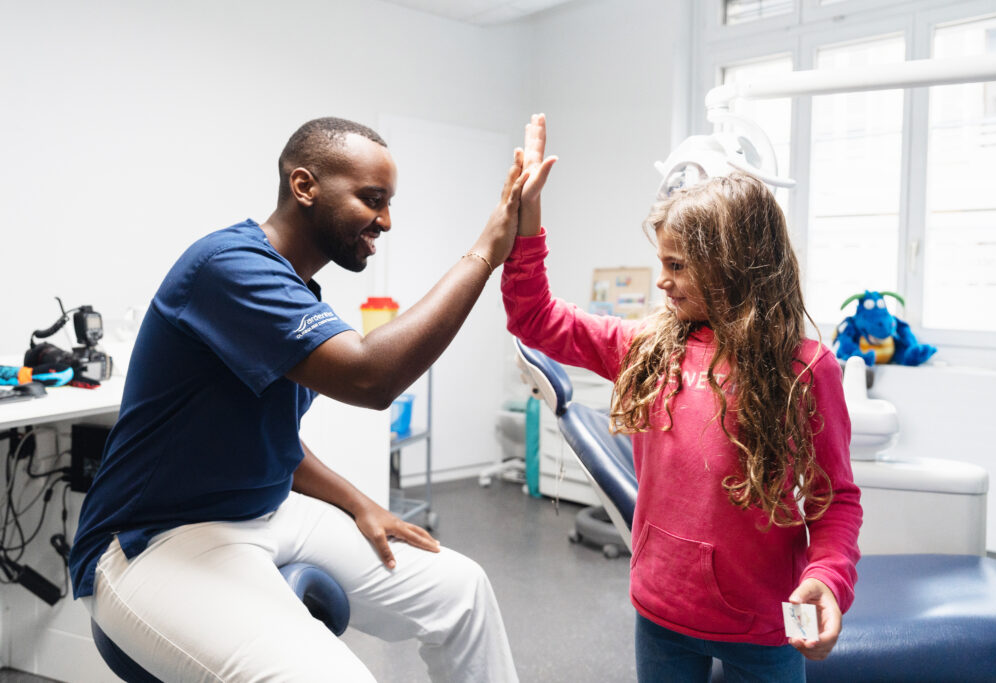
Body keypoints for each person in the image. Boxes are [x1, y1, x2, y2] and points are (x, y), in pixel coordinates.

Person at [69, 117, 528, 682]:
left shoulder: (295, 286)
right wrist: (485, 251)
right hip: (155, 539)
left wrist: (359, 502)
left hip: (265, 512)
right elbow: (369, 378)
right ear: (305, 186)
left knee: (462, 591)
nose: (385, 220)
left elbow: (270, 436)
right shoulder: (229, 267)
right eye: (372, 199)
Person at [503, 114, 862, 682]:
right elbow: (534, 318)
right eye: (661, 264)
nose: (662, 282)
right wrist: (526, 227)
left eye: (676, 266)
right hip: (662, 612)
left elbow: (834, 500)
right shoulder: (647, 345)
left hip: (764, 623)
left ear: (732, 266)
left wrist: (828, 577)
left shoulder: (805, 369)